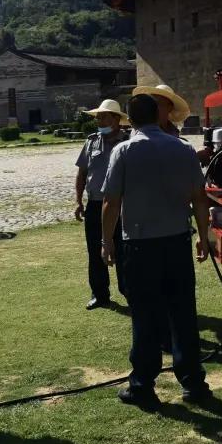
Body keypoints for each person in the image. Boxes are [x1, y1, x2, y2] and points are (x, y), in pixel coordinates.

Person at [100, 94, 213, 409]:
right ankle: (193, 383)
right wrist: (204, 236)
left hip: (140, 244)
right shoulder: (183, 149)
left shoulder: (124, 151)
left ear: (130, 120)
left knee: (146, 316)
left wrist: (106, 241)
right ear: (159, 116)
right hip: (177, 240)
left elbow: (111, 202)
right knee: (183, 314)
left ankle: (143, 385)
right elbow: (199, 198)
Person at [74, 99, 130, 309]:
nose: (99, 121)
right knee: (94, 251)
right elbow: (82, 174)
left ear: (116, 119)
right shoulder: (91, 142)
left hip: (121, 206)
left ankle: (129, 292)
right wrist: (79, 201)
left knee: (124, 251)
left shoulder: (127, 142)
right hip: (95, 205)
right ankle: (100, 294)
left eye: (103, 116)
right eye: (98, 117)